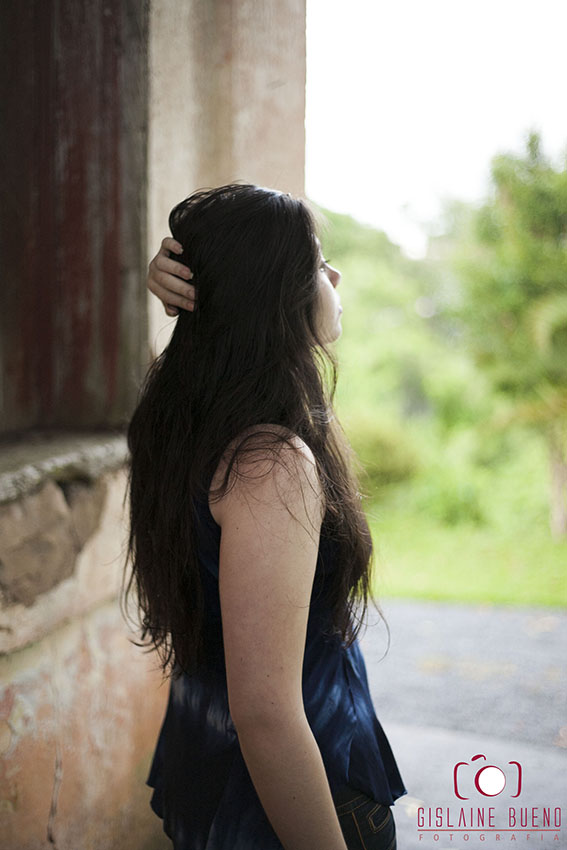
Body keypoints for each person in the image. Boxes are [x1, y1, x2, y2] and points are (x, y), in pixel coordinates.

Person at [124, 183, 407, 850]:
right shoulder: (269, 463)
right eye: (318, 262)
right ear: (274, 292)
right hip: (290, 802)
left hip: (218, 774)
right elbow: (267, 716)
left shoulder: (187, 418)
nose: (335, 277)